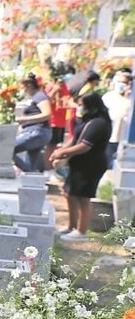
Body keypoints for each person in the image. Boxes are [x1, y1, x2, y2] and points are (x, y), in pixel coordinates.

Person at [50, 91, 112, 240]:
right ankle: (71, 226)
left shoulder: (99, 123)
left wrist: (62, 152)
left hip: (91, 165)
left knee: (83, 197)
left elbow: (84, 146)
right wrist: (62, 151)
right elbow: (75, 139)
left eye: (81, 105)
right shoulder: (87, 120)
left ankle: (81, 231)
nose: (79, 108)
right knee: (69, 193)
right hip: (80, 163)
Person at [14, 75, 53, 172]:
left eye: (23, 87)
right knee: (31, 163)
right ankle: (31, 176)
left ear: (29, 86)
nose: (23, 90)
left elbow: (47, 114)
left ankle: (28, 172)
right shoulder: (34, 97)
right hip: (36, 132)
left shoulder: (39, 96)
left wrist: (25, 119)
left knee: (7, 148)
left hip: (37, 131)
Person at [103, 70, 132, 168]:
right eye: (119, 82)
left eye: (124, 82)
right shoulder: (108, 97)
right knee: (106, 160)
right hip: (109, 135)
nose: (121, 85)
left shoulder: (130, 100)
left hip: (123, 137)